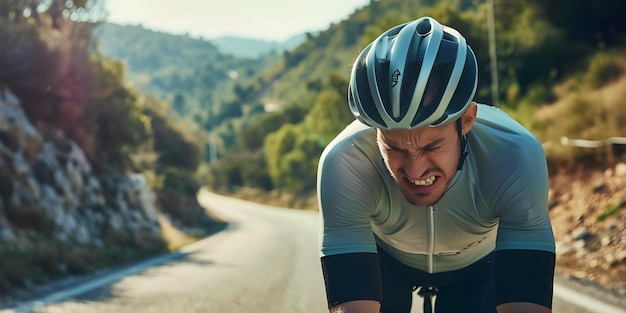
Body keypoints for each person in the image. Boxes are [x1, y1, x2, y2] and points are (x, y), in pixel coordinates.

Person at [317, 16, 556, 313]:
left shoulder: (514, 155)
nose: (415, 171)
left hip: (477, 269)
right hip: (386, 264)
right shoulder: (346, 161)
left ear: (467, 121)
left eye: (432, 146)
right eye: (392, 147)